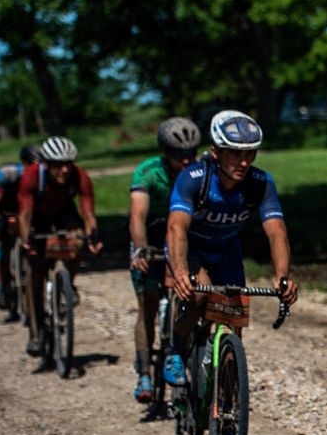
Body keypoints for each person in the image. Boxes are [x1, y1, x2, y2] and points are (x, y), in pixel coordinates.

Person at [163, 110, 299, 387]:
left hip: (226, 252)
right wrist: (179, 272)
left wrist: (283, 276)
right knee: (198, 296)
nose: (244, 162)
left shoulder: (260, 183)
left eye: (250, 154)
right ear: (216, 152)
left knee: (234, 320)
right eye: (235, 154)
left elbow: (277, 232)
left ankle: (226, 407)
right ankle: (175, 351)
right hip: (192, 252)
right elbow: (176, 228)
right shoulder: (194, 178)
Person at [127, 117, 200, 402]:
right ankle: (144, 374)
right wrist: (140, 248)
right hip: (152, 237)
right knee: (147, 305)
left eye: (191, 153)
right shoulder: (148, 172)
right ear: (164, 153)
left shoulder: (198, 171)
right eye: (179, 154)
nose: (186, 160)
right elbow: (137, 216)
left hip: (181, 236)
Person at [17, 136, 104, 360]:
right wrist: (27, 240)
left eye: (69, 163)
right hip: (37, 216)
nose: (65, 170)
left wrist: (92, 237)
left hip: (65, 213)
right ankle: (35, 334)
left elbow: (88, 213)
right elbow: (24, 214)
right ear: (46, 163)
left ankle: (68, 282)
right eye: (58, 165)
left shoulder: (79, 176)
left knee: (76, 241)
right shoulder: (31, 176)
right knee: (34, 273)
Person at [0, 145, 39, 314]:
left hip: (26, 210)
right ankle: (3, 287)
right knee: (1, 246)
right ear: (23, 163)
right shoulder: (6, 174)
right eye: (32, 165)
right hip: (5, 209)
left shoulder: (40, 176)